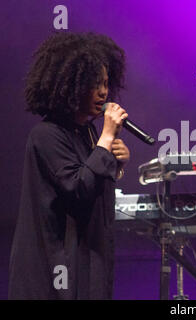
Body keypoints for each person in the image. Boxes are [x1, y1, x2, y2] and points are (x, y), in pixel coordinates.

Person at [9, 32, 130, 299]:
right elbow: (78, 189)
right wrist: (107, 138)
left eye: (106, 83)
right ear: (71, 85)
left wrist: (116, 163)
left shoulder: (86, 132)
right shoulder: (46, 134)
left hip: (86, 257)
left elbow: (94, 184)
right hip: (54, 265)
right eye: (94, 83)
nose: (103, 92)